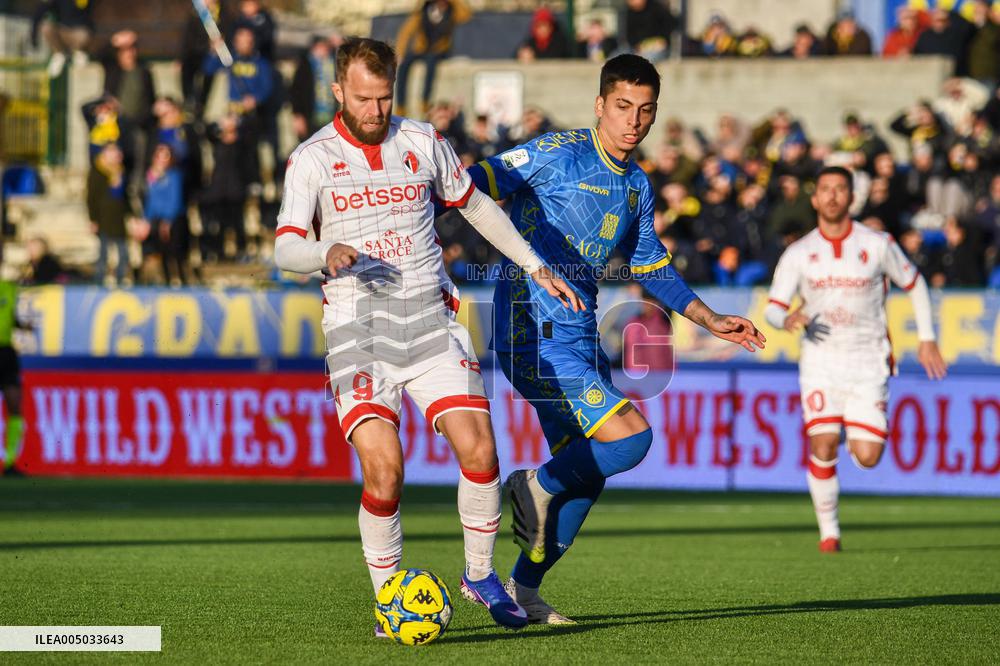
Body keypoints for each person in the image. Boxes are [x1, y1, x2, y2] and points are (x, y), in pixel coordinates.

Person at [273, 37, 581, 636]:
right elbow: (285, 245)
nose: (376, 110)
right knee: (385, 470)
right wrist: (322, 251)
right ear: (339, 91)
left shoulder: (421, 142)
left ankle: (478, 574)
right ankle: (391, 599)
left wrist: (534, 263)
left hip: (431, 323)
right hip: (356, 329)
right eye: (363, 98)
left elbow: (476, 206)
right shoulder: (312, 158)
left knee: (481, 451)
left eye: (384, 97)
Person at [468, 54, 766, 623]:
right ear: (600, 104)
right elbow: (473, 184)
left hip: (579, 336)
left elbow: (652, 266)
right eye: (622, 106)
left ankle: (525, 590)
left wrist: (710, 318)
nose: (632, 120)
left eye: (645, 110)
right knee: (629, 440)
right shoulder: (554, 153)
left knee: (589, 473)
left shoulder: (636, 186)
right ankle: (531, 484)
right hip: (532, 331)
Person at [764, 166, 947, 554]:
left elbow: (914, 283)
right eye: (825, 190)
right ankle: (829, 533)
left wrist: (927, 338)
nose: (831, 196)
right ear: (814, 199)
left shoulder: (877, 243)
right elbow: (773, 309)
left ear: (852, 198)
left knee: (867, 457)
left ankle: (857, 424)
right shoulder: (799, 253)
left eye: (839, 190)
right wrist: (789, 317)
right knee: (823, 441)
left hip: (868, 361)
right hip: (820, 363)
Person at [395, 0, 471, 117]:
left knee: (431, 63)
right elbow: (406, 32)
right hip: (422, 48)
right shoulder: (423, 12)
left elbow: (466, 14)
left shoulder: (452, 12)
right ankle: (401, 105)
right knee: (404, 65)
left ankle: (425, 101)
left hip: (439, 50)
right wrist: (400, 52)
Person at [0, 249, 29, 475]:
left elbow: (13, 318)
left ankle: (10, 462)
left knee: (14, 405)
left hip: (7, 352)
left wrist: (23, 325)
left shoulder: (10, 288)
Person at [290, 36, 338, 141]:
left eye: (326, 47)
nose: (324, 50)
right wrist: (297, 115)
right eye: (321, 47)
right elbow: (295, 92)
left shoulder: (333, 63)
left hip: (331, 118)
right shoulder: (305, 65)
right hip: (310, 117)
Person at [31, 0, 93, 78]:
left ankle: (79, 53)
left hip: (80, 33)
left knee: (83, 35)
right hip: (62, 31)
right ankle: (60, 54)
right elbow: (42, 9)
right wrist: (34, 35)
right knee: (46, 27)